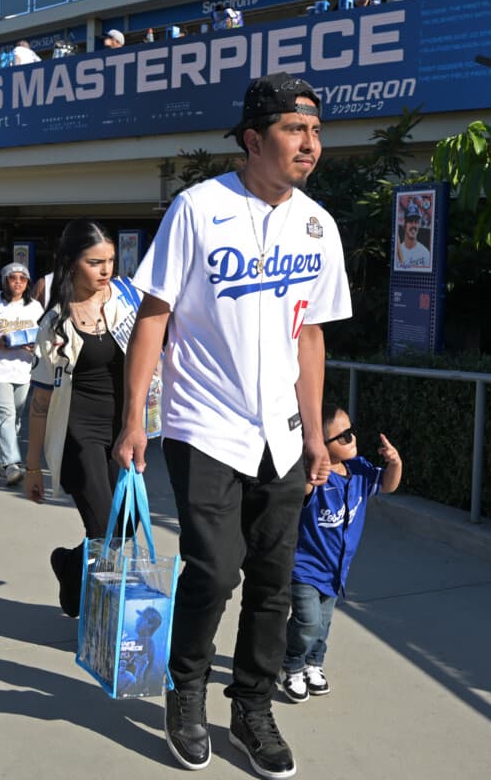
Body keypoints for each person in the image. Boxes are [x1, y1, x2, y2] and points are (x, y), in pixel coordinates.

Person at [113, 72, 352, 779]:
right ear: (253, 139)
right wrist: (134, 419)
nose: (310, 144)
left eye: (316, 131)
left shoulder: (318, 225)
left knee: (274, 579)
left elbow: (311, 336)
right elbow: (154, 315)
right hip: (204, 424)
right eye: (294, 129)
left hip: (282, 431)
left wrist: (315, 436)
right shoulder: (198, 208)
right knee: (215, 570)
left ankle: (251, 706)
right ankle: (185, 692)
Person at [24, 219, 138, 618]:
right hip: (78, 431)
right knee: (104, 526)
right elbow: (41, 400)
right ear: (72, 263)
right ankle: (101, 614)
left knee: (126, 525)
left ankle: (70, 564)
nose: (106, 270)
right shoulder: (55, 322)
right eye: (95, 262)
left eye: (110, 261)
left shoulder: (128, 300)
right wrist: (33, 466)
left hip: (122, 429)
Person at [278, 403, 401, 703]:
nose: (352, 438)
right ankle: (291, 664)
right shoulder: (314, 477)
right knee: (308, 621)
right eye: (343, 436)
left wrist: (395, 463)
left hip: (336, 569)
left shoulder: (359, 470)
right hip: (305, 568)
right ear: (321, 443)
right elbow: (298, 489)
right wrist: (310, 465)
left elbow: (387, 485)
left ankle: (313, 663)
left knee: (323, 623)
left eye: (352, 431)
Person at [0, 261, 44, 486]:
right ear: (5, 281)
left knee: (15, 418)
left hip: (24, 370)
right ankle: (12, 464)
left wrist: (36, 347)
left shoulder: (35, 308)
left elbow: (44, 335)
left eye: (23, 279)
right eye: (13, 278)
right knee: (6, 415)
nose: (18, 283)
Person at [395, 199, 431, 270]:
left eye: (416, 222)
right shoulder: (397, 251)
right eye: (410, 221)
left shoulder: (425, 253)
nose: (414, 225)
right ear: (404, 225)